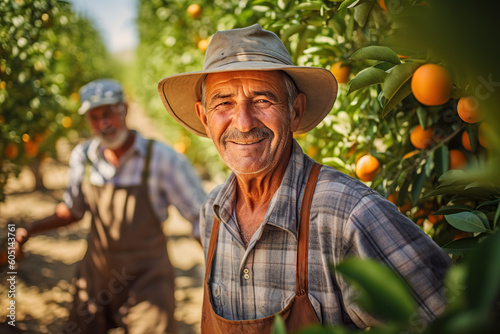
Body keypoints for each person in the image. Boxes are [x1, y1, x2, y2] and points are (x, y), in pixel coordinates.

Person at [156, 24, 452, 333]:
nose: (243, 124)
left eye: (262, 100)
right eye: (224, 102)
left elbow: (452, 321)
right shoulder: (213, 212)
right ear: (204, 118)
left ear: (295, 111)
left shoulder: (348, 215)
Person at [15, 79, 206, 334]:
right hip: (97, 277)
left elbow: (200, 217)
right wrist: (28, 230)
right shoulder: (83, 159)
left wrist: (218, 268)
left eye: (108, 114)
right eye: (94, 118)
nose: (103, 124)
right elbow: (72, 210)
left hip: (148, 279)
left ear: (124, 109)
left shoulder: (161, 159)